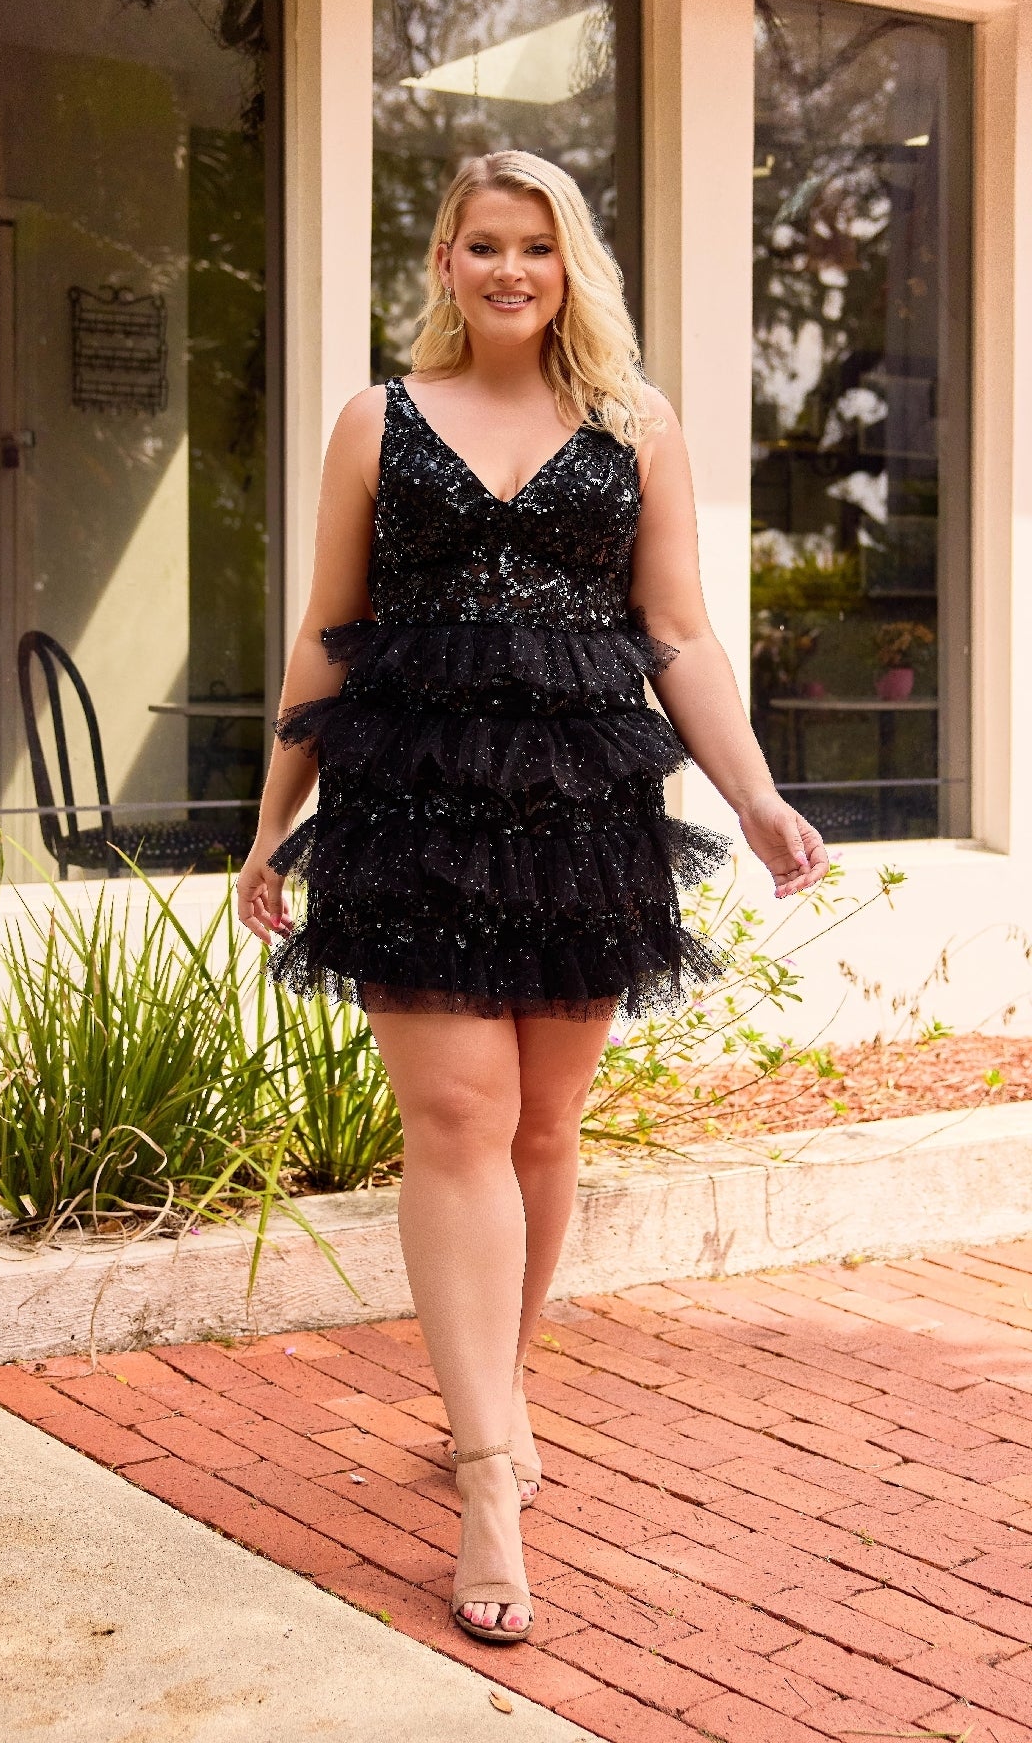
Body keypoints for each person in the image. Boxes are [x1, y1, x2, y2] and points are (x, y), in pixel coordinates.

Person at [235, 150, 829, 1645]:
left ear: (571, 269)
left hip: (582, 812)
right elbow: (330, 627)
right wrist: (268, 825)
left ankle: (491, 1390)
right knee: (455, 1122)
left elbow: (678, 633)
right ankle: (491, 1474)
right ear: (443, 260)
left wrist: (754, 795)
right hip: (409, 813)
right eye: (484, 244)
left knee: (548, 1128)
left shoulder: (636, 427)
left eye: (538, 248)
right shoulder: (375, 420)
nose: (511, 270)